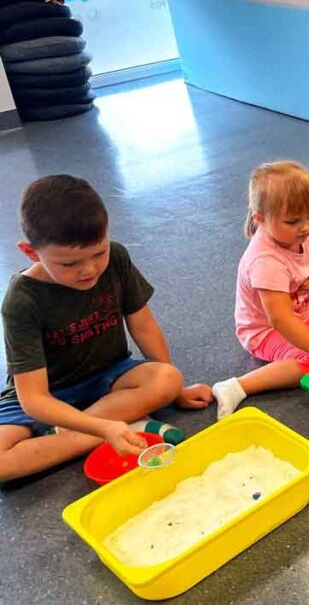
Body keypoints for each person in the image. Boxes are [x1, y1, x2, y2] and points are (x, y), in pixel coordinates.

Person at [0, 175, 213, 482]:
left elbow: (143, 326)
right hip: (49, 395)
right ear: (31, 252)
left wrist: (176, 393)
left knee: (167, 378)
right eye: (69, 264)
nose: (89, 270)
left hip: (108, 378)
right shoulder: (21, 301)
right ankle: (123, 426)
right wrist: (102, 427)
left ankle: (78, 434)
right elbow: (34, 399)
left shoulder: (118, 257)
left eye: (98, 253)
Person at [212, 161, 309, 418]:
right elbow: (281, 320)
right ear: (260, 219)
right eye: (293, 220)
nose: (306, 226)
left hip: (302, 308)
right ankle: (238, 386)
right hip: (267, 331)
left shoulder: (296, 235)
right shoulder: (266, 261)